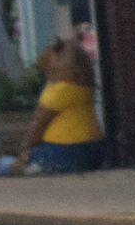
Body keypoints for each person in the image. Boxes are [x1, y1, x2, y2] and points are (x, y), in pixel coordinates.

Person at [15, 37, 104, 174]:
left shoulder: (57, 91)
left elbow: (38, 124)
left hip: (62, 150)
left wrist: (25, 149)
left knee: (4, 163)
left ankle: (13, 168)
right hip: (94, 147)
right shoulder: (85, 89)